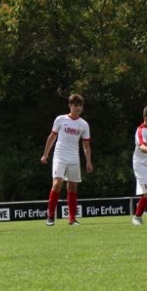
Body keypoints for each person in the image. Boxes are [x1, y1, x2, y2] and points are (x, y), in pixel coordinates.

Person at [40, 93, 92, 226]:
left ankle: (72, 219)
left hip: (74, 157)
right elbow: (52, 137)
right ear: (70, 106)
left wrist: (88, 161)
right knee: (57, 183)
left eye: (80, 105)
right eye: (75, 105)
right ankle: (50, 217)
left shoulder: (83, 124)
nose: (78, 108)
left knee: (72, 186)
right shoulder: (60, 119)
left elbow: (86, 145)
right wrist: (45, 154)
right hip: (60, 155)